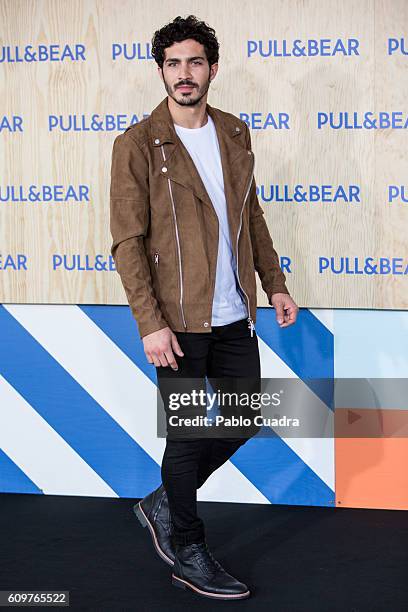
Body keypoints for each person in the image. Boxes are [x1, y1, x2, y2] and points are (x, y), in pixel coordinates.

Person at [109, 14, 299, 601]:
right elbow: (127, 241)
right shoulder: (138, 144)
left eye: (194, 62)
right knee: (187, 438)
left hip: (234, 312)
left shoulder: (235, 133)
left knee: (243, 418)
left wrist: (275, 283)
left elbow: (252, 216)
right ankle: (187, 547)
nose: (183, 74)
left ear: (212, 69)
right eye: (172, 63)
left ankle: (165, 502)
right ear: (161, 70)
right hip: (177, 323)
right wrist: (150, 323)